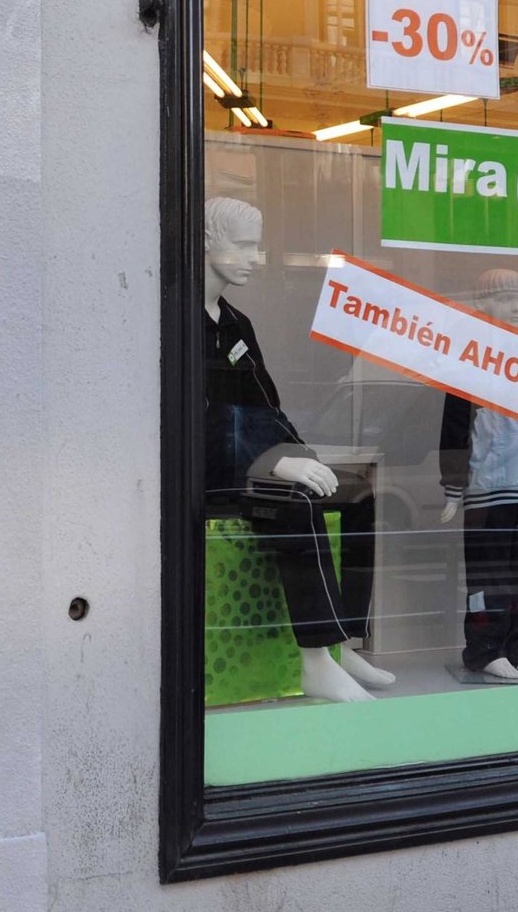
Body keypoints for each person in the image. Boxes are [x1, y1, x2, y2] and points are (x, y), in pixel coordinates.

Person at [203, 196, 394, 703]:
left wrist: (302, 455)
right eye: (243, 245)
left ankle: (345, 642)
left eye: (256, 246)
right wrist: (271, 462)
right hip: (205, 473)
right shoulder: (177, 322)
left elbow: (265, 404)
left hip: (247, 466)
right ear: (206, 241)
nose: (255, 258)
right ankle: (316, 659)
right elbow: (193, 416)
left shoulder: (236, 323)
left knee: (358, 495)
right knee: (296, 502)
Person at [439, 269, 518, 680]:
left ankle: (516, 646)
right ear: (481, 302)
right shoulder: (469, 358)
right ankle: (484, 649)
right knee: (489, 574)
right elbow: (455, 426)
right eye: (505, 299)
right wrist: (454, 487)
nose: (516, 307)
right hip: (490, 486)